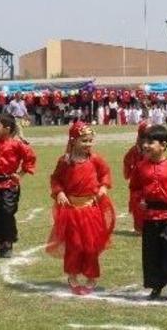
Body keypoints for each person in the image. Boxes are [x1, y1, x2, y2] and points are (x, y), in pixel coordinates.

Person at [47, 122, 115, 295]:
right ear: (73, 140)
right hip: (71, 211)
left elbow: (105, 173)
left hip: (91, 210)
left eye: (90, 140)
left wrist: (103, 187)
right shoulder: (65, 162)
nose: (88, 144)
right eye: (84, 140)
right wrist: (59, 192)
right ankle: (72, 275)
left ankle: (91, 276)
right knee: (74, 245)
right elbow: (55, 179)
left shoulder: (95, 159)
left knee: (91, 246)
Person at [128, 125, 167, 301]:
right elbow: (135, 188)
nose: (145, 145)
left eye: (150, 142)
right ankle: (156, 286)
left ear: (163, 145)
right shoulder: (140, 167)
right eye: (144, 142)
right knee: (151, 254)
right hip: (150, 217)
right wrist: (140, 199)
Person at [0, 113, 37, 257]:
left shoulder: (17, 145)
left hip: (10, 185)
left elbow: (30, 158)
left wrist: (20, 174)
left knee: (7, 212)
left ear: (7, 129)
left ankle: (8, 242)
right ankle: (0, 241)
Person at [122, 122, 149, 234]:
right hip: (137, 184)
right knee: (136, 204)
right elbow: (127, 162)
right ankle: (139, 227)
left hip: (150, 181)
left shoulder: (153, 148)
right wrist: (128, 173)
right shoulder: (134, 150)